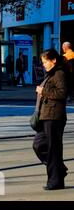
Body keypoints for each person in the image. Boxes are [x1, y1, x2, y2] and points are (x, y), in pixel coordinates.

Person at [33, 48, 69, 190]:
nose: (44, 65)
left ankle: (55, 181)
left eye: (45, 61)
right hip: (46, 116)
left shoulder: (59, 73)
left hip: (54, 117)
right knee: (38, 144)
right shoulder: (51, 74)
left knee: (53, 149)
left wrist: (44, 91)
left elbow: (62, 93)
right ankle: (59, 170)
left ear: (53, 60)